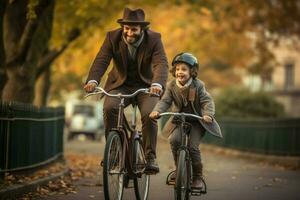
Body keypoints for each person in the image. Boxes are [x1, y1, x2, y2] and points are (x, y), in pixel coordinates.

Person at [84, 7, 168, 174]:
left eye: (134, 29)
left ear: (142, 29)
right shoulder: (112, 37)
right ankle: (114, 151)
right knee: (110, 108)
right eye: (127, 29)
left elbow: (161, 64)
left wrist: (157, 84)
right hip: (119, 85)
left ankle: (150, 156)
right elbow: (101, 60)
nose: (130, 33)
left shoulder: (154, 39)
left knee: (150, 114)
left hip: (146, 86)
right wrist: (93, 80)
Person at [149, 52, 222, 189]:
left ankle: (197, 177)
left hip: (197, 121)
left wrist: (208, 114)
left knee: (192, 147)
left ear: (192, 71)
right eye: (177, 69)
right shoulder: (171, 86)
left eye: (183, 69)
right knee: (174, 141)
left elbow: (207, 101)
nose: (179, 72)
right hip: (179, 120)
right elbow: (165, 101)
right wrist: (157, 111)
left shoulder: (198, 85)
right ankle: (178, 169)